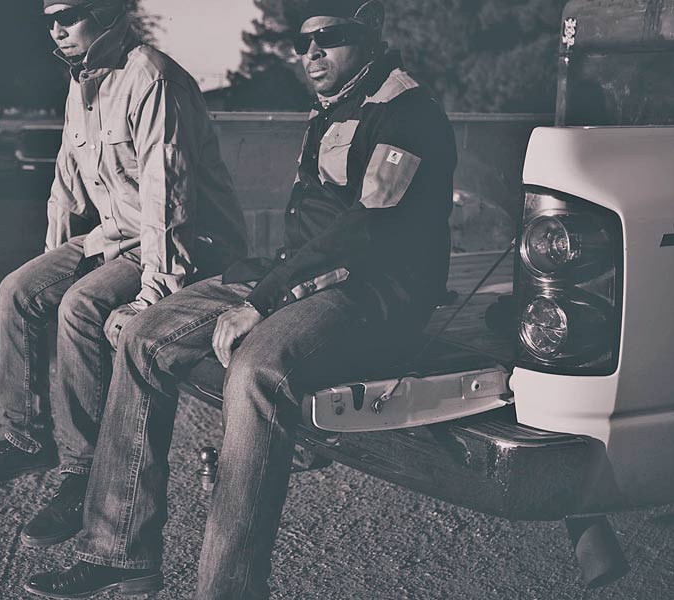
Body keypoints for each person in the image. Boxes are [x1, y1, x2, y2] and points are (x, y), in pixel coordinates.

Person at [23, 0, 458, 598]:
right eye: (301, 42)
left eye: (328, 38)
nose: (310, 54)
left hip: (373, 292)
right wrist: (269, 283)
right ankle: (121, 551)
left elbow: (367, 230)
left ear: (371, 35)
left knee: (255, 370)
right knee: (144, 338)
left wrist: (267, 298)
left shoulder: (407, 112)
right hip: (294, 275)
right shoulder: (335, 104)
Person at [0, 0, 247, 553]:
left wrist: (155, 292)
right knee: (17, 291)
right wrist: (47, 264)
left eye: (69, 14)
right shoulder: (82, 79)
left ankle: (82, 475)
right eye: (49, 18)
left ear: (108, 12)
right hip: (117, 237)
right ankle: (26, 437)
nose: (56, 28)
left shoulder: (151, 77)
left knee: (81, 307)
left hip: (187, 243)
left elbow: (168, 195)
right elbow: (66, 182)